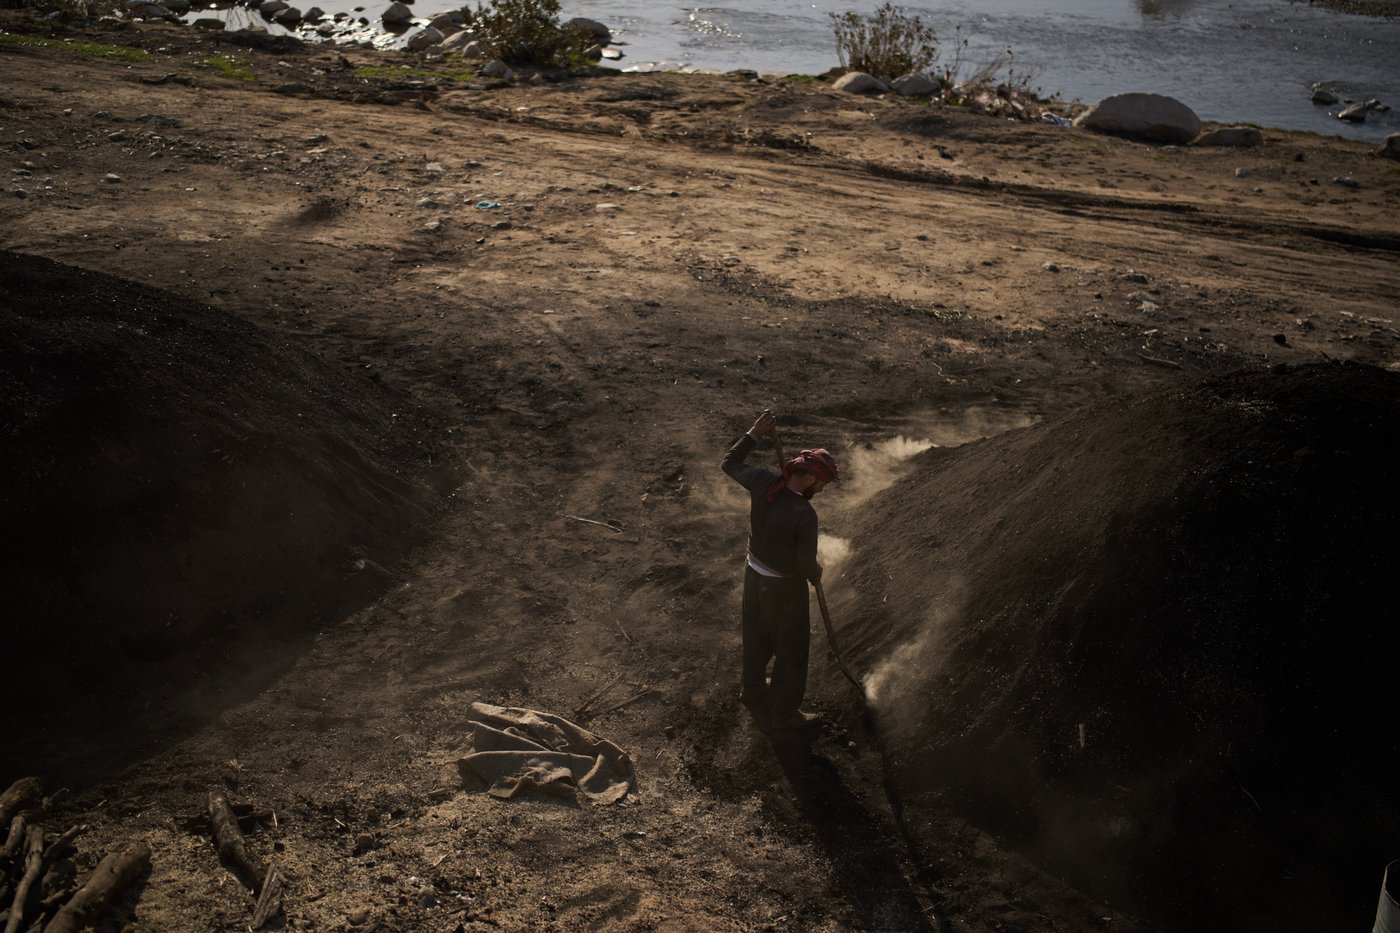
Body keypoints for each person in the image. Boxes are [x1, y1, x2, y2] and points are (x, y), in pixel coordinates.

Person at [721, 409, 838, 730]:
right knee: (793, 651)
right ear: (811, 478)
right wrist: (816, 571)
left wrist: (755, 432)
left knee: (756, 637)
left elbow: (728, 463)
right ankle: (786, 714)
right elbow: (804, 564)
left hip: (753, 577)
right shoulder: (804, 513)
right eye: (823, 484)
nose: (823, 490)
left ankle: (753, 689)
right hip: (785, 591)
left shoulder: (762, 483)